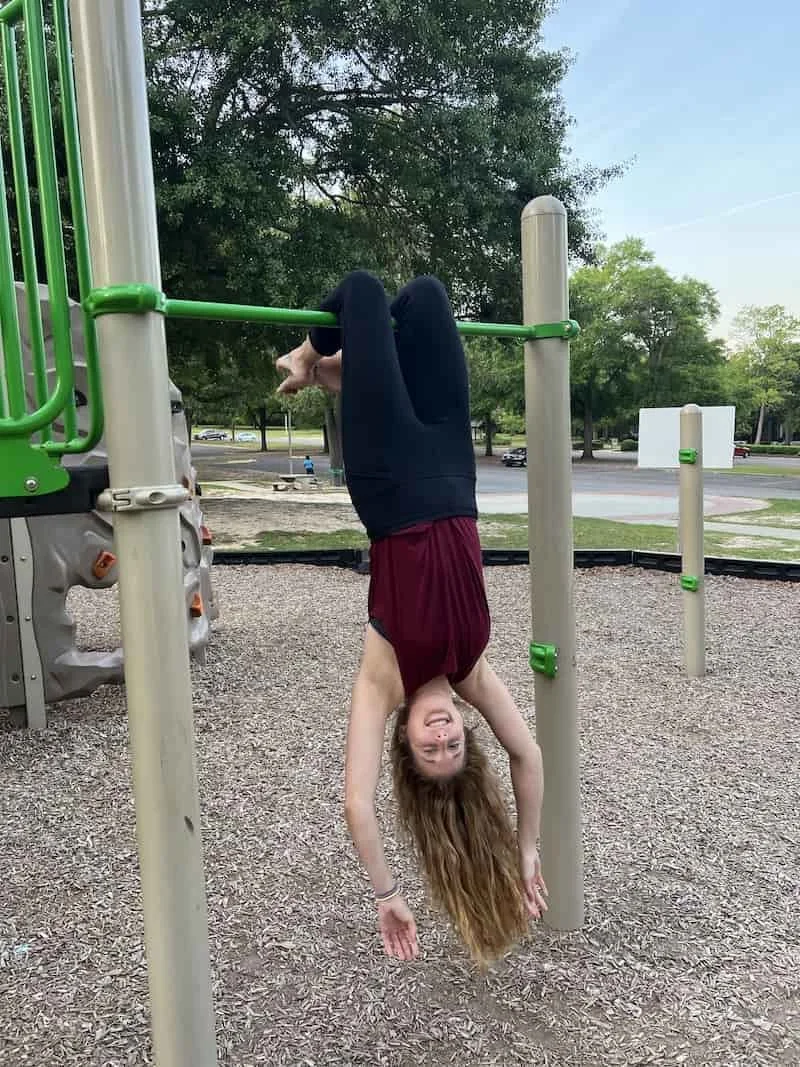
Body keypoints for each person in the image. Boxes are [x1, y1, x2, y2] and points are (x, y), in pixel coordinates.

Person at [277, 271, 546, 966]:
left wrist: (385, 892)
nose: (440, 738)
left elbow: (356, 805)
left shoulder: (385, 678)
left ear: (408, 742)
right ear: (465, 731)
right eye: (453, 745)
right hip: (457, 473)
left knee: (361, 292)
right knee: (426, 296)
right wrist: (526, 848)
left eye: (429, 750)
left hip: (389, 482)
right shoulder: (472, 670)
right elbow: (529, 754)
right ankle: (337, 370)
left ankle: (313, 357)